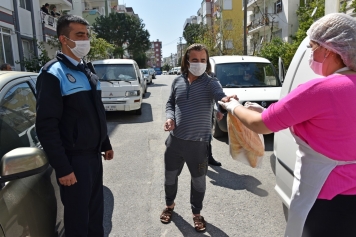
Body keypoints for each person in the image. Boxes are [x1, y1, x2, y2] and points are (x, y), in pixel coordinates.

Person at [218, 13, 356, 237]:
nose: (311, 54)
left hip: (325, 201)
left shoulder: (320, 89)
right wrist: (270, 112)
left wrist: (233, 106)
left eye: (313, 47)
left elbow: (261, 124)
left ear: (330, 49)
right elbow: (334, 126)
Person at [35, 15, 114, 237]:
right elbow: (46, 126)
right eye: (79, 35)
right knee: (78, 221)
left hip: (93, 158)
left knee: (95, 215)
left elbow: (96, 112)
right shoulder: (53, 73)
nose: (85, 40)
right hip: (73, 161)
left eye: (87, 35)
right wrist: (63, 167)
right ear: (63, 39)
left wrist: (105, 142)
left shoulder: (87, 70)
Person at [160, 43, 236, 232]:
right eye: (195, 60)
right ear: (187, 61)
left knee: (198, 182)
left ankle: (197, 213)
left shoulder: (211, 82)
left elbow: (220, 96)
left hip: (199, 146)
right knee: (170, 178)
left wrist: (224, 102)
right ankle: (170, 206)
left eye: (203, 60)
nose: (199, 63)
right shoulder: (177, 81)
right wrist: (170, 118)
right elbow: (170, 103)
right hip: (175, 142)